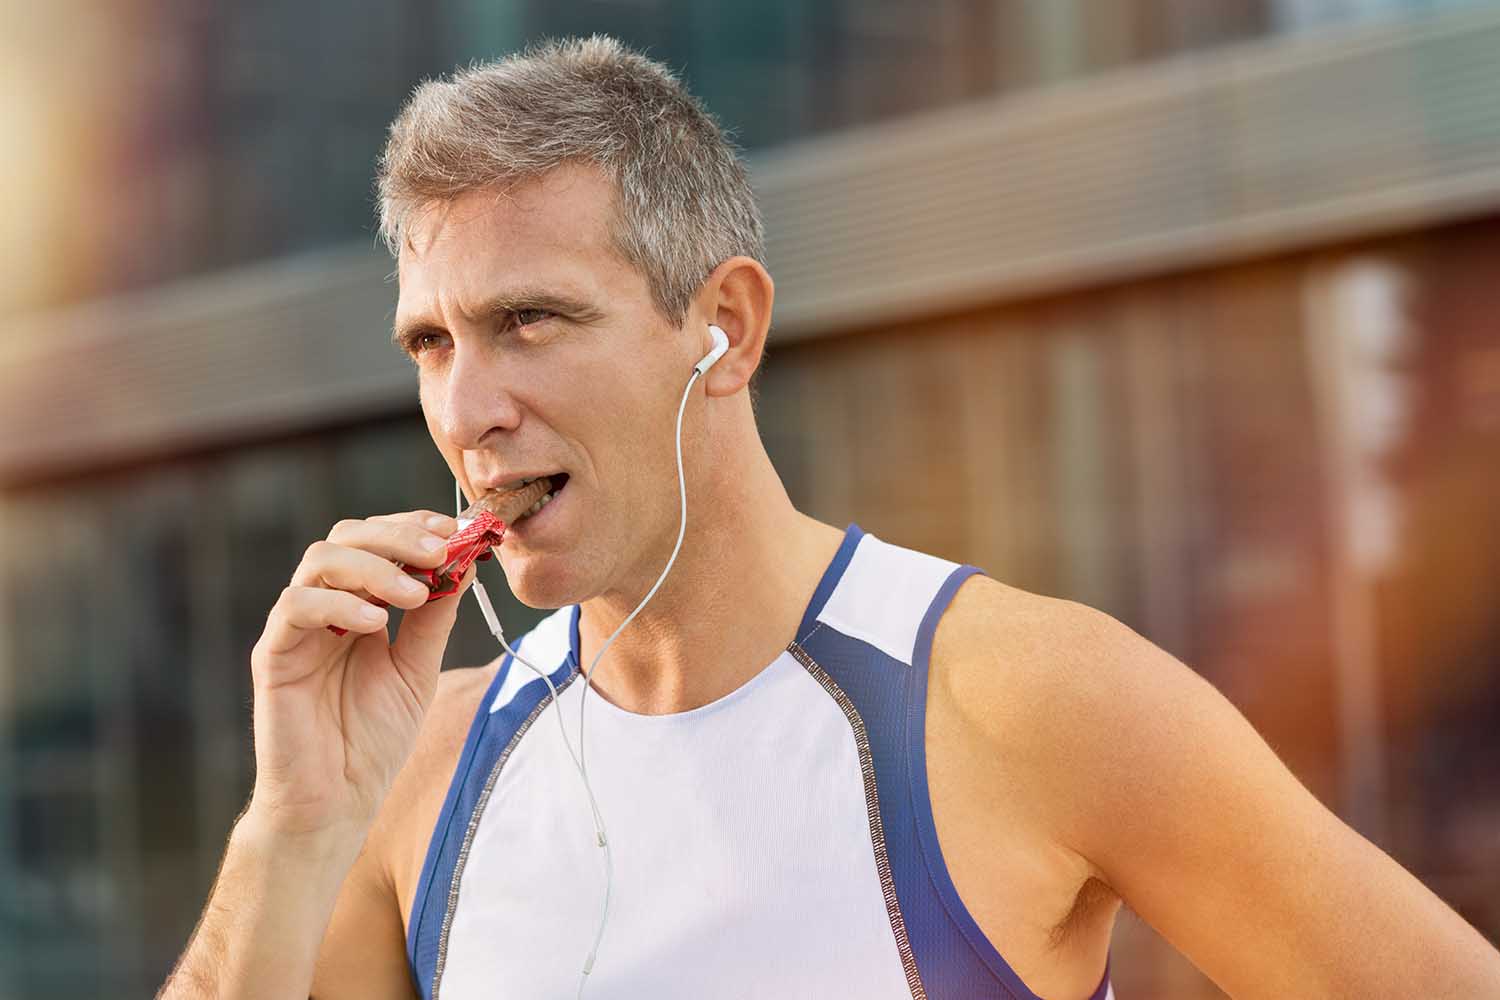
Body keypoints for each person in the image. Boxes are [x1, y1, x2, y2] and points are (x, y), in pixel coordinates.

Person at [158, 36, 1500, 1000]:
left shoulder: (1023, 698)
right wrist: (292, 825)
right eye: (431, 343)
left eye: (529, 322)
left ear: (722, 329)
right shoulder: (419, 772)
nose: (468, 408)